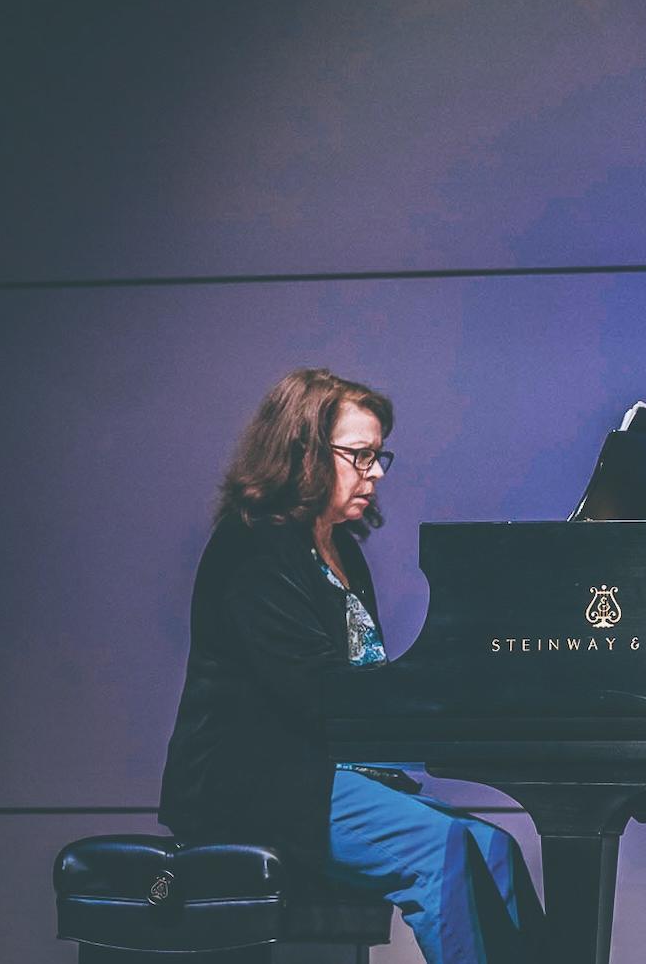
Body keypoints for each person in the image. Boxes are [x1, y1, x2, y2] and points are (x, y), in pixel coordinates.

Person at [160, 367, 542, 963]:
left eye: (378, 455)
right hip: (254, 780)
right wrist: (435, 706)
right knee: (439, 850)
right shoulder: (251, 546)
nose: (376, 472)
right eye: (360, 456)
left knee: (495, 849)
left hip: (325, 772)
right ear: (303, 452)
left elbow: (362, 678)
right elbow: (314, 690)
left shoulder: (340, 550)